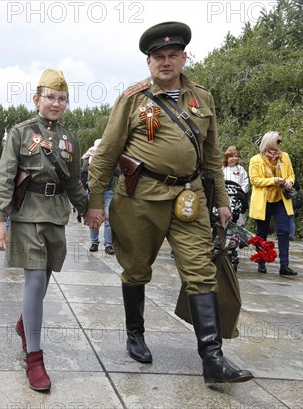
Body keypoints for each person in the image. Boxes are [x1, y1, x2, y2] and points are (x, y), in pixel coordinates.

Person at [85, 22, 253, 384]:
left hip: (189, 199)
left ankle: (212, 358)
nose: (165, 62)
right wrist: (96, 202)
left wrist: (221, 200)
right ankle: (135, 334)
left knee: (201, 270)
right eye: (158, 57)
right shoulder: (133, 99)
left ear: (183, 57)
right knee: (136, 268)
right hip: (139, 199)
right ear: (148, 62)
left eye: (172, 55)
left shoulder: (202, 98)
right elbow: (106, 154)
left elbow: (211, 159)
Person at [0, 69, 87, 391]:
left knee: (43, 282)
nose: (56, 103)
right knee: (33, 282)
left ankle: (24, 324)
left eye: (62, 99)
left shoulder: (70, 138)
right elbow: (5, 176)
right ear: (36, 99)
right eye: (50, 97)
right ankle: (35, 357)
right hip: (27, 214)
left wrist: (90, 209)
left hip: (56, 215)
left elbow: (74, 182)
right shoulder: (20, 133)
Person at [248, 131, 297, 276]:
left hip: (281, 199)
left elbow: (291, 174)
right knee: (262, 233)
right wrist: (273, 180)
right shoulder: (256, 159)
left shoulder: (284, 157)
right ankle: (261, 262)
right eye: (278, 141)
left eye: (280, 142)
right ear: (269, 142)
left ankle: (284, 266)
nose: (280, 144)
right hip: (264, 201)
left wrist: (289, 182)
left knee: (284, 231)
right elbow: (254, 180)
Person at [82, 138, 117, 255]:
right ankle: (94, 242)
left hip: (107, 192)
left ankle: (108, 244)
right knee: (94, 218)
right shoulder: (88, 158)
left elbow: (118, 171)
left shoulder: (111, 159)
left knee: (109, 219)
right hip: (92, 192)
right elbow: (84, 171)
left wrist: (109, 165)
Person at [222, 146, 250, 226]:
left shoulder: (240, 169)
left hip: (238, 198)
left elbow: (245, 182)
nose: (234, 158)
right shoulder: (222, 169)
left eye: (236, 156)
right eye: (231, 156)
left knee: (237, 221)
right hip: (225, 197)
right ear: (227, 157)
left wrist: (241, 192)